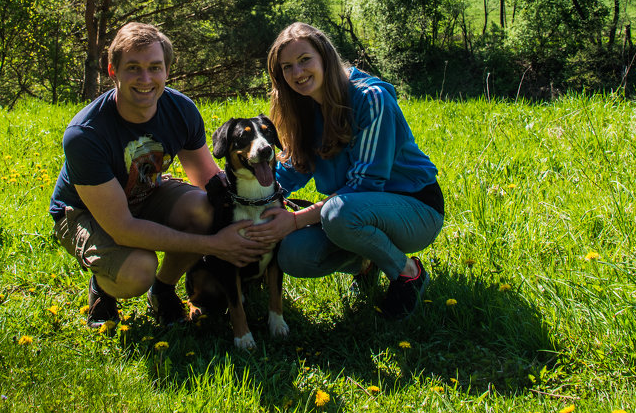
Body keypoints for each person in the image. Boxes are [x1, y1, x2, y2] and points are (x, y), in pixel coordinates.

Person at [49, 22, 268, 328]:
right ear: (113, 71)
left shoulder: (180, 109)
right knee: (139, 269)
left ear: (168, 71)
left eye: (155, 67)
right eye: (133, 68)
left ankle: (163, 290)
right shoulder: (85, 134)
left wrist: (261, 211)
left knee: (205, 208)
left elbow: (208, 177)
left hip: (144, 193)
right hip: (84, 212)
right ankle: (104, 289)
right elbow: (123, 228)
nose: (145, 79)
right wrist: (215, 245)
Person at [245, 22, 444, 319]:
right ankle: (368, 262)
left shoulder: (370, 98)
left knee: (338, 214)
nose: (297, 73)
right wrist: (240, 198)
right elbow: (289, 172)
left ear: (325, 56)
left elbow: (365, 185)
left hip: (415, 209)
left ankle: (408, 273)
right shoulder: (304, 110)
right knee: (293, 255)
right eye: (287, 67)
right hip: (355, 211)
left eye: (304, 60)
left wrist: (296, 220)